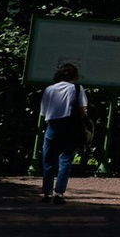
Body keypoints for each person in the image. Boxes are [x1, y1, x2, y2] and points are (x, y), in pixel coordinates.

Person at [36, 62, 86, 201]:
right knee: (65, 160)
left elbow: (43, 112)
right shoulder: (77, 89)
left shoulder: (49, 89)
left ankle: (47, 192)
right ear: (74, 76)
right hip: (70, 126)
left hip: (52, 125)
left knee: (48, 160)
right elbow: (82, 110)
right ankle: (59, 193)